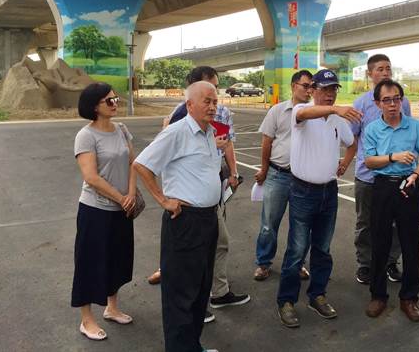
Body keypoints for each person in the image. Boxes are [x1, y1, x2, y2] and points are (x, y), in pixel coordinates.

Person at [148, 66, 248, 321]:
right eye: (209, 93)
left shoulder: (216, 119)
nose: (214, 100)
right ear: (192, 96)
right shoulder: (180, 120)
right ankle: (195, 305)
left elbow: (226, 145)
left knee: (214, 247)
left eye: (216, 93)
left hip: (211, 198)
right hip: (189, 209)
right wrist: (164, 200)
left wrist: (233, 172)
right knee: (193, 260)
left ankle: (213, 295)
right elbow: (146, 163)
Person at [134, 81, 221, 352]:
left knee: (200, 289)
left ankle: (192, 346)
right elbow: (142, 164)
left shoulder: (208, 132)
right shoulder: (177, 132)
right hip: (185, 221)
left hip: (208, 220)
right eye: (207, 101)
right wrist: (163, 200)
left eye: (215, 101)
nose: (213, 107)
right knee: (181, 294)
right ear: (189, 105)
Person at [276, 69, 360, 328]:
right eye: (325, 89)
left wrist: (345, 163)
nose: (330, 94)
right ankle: (286, 301)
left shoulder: (337, 121)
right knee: (297, 249)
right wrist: (335, 110)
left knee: (323, 249)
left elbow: (352, 143)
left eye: (333, 89)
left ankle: (317, 295)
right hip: (303, 192)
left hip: (329, 192)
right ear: (312, 90)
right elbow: (304, 114)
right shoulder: (302, 111)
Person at [363, 79, 419, 322]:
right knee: (379, 242)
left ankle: (409, 297)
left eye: (396, 99)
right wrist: (393, 157)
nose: (392, 104)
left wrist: (415, 174)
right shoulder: (372, 129)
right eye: (387, 100)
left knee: (410, 243)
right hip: (382, 188)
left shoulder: (414, 126)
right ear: (378, 103)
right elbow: (369, 161)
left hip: (408, 187)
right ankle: (378, 295)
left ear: (401, 100)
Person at [72, 83, 136, 341]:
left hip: (123, 207)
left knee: (117, 259)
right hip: (95, 210)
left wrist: (131, 194)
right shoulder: (86, 136)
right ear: (94, 106)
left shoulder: (121, 129)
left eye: (115, 99)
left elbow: (133, 163)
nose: (115, 103)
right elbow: (91, 177)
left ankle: (112, 307)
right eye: (109, 101)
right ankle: (86, 320)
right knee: (89, 263)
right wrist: (121, 198)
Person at [347, 54, 410, 285]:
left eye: (388, 68)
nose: (385, 73)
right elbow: (353, 137)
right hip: (367, 176)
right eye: (380, 69)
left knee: (396, 222)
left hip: (396, 175)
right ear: (370, 74)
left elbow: (407, 131)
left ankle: (390, 262)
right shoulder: (361, 103)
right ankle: (366, 264)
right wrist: (347, 162)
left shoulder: (403, 102)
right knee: (365, 222)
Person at [253, 70, 313, 281]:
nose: (309, 90)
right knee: (269, 224)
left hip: (304, 179)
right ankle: (263, 263)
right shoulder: (277, 111)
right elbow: (267, 142)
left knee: (301, 226)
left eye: (312, 87)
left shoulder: (315, 114)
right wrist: (264, 169)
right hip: (278, 175)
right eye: (305, 85)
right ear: (293, 86)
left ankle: (296, 264)